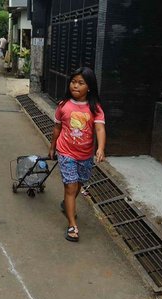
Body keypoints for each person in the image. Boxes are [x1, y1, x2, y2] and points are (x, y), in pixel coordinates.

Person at [48, 67, 106, 243]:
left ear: (89, 87)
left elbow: (100, 128)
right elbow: (57, 128)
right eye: (73, 82)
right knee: (70, 187)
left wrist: (101, 148)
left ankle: (67, 203)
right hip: (66, 152)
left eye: (81, 83)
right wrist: (52, 147)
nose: (75, 86)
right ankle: (72, 225)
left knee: (78, 184)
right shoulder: (63, 106)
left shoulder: (95, 108)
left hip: (85, 155)